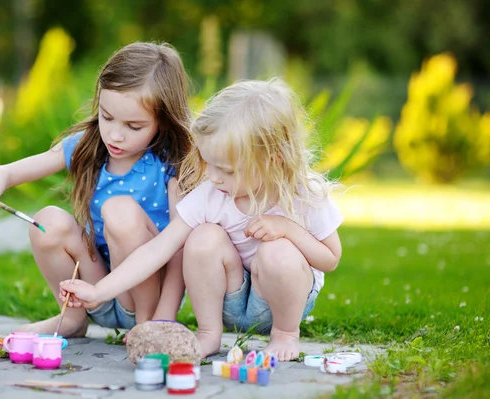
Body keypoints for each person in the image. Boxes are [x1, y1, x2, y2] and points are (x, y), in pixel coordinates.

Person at [58, 78, 344, 361]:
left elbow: (330, 258)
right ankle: (209, 333)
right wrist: (98, 291)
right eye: (209, 164)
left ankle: (284, 335)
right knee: (203, 236)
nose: (213, 176)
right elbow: (157, 250)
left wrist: (287, 230)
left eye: (227, 170)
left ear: (274, 161)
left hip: (282, 301)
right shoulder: (211, 194)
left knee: (277, 250)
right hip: (228, 298)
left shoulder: (304, 193)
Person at [0, 42, 193, 337]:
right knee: (48, 221)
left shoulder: (171, 163)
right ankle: (72, 319)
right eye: (107, 117)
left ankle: (145, 326)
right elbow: (10, 171)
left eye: (134, 126)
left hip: (148, 295)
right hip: (97, 288)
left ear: (163, 120)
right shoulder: (89, 144)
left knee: (120, 211)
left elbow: (180, 245)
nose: (115, 135)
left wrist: (163, 318)